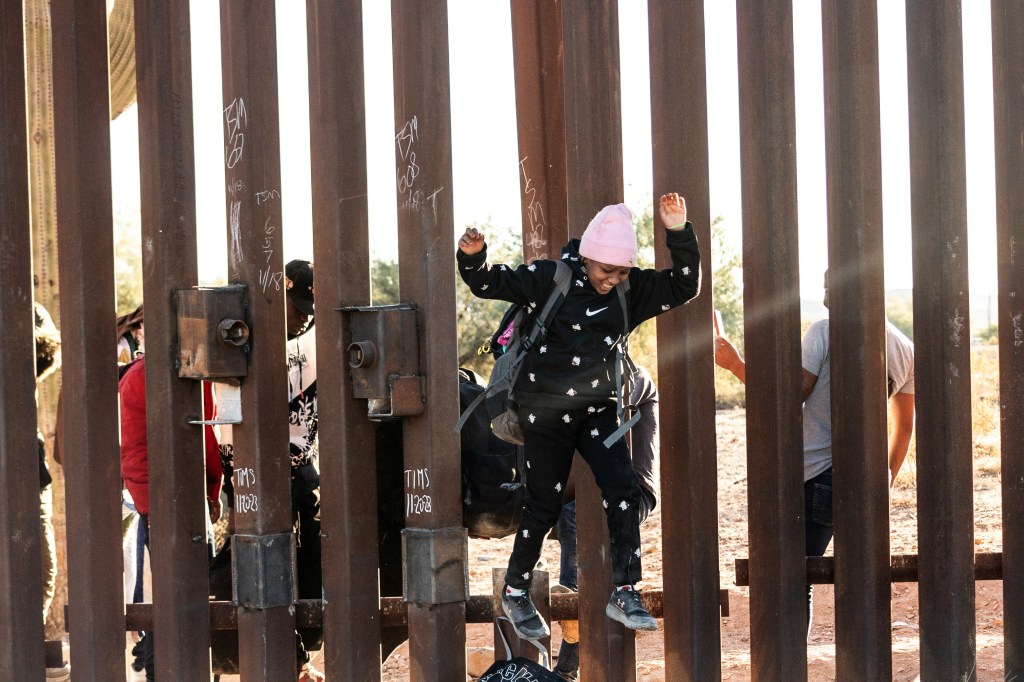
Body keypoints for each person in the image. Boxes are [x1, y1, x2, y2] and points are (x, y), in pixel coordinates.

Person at [456, 192, 701, 640]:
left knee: (623, 489)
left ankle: (625, 589)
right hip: (544, 413)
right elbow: (490, 284)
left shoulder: (630, 290)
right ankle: (515, 590)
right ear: (588, 257)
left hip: (598, 411)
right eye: (607, 270)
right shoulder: (552, 278)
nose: (613, 279)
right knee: (543, 503)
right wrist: (473, 258)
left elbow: (685, 286)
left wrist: (679, 232)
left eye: (622, 271)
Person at [713, 271, 915, 632]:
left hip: (817, 478)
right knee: (860, 582)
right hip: (867, 481)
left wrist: (735, 364)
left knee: (795, 579)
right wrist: (885, 479)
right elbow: (904, 427)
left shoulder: (825, 331)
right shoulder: (903, 347)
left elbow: (786, 399)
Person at [552, 364, 660, 680]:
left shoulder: (635, 375)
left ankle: (572, 605)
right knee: (575, 524)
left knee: (576, 520)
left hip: (633, 491)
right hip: (587, 491)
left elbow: (614, 395)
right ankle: (565, 668)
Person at [118, 356, 224, 680]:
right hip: (184, 500)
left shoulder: (134, 377)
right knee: (191, 600)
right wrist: (213, 489)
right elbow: (206, 435)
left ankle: (158, 672)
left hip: (153, 502)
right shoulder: (191, 369)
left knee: (164, 602)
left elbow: (131, 451)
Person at [33, 302, 70, 681]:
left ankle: (21, 649)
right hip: (29, 473)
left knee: (43, 567)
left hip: (31, 474)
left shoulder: (29, 311)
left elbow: (50, 351)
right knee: (42, 568)